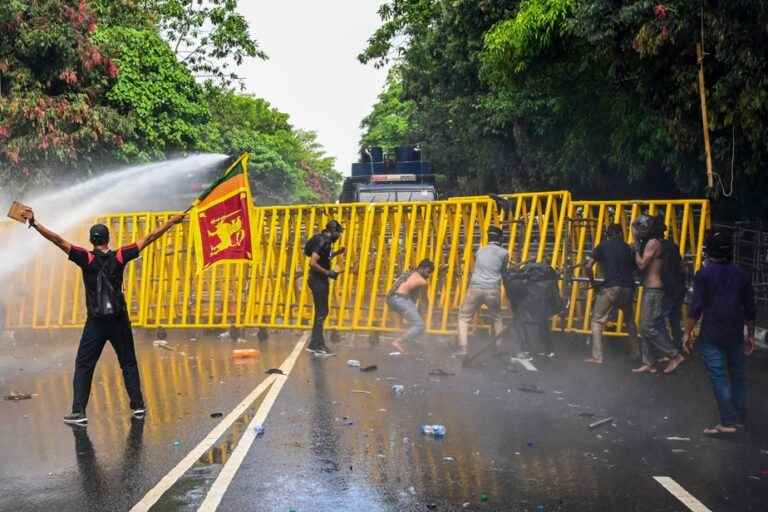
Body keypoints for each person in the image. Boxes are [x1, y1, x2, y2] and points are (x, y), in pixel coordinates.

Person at [24, 209, 185, 424]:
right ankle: (137, 406)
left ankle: (79, 411)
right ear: (108, 238)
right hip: (119, 319)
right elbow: (149, 237)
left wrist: (35, 224)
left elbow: (58, 240)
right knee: (128, 363)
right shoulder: (120, 256)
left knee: (84, 365)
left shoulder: (86, 258)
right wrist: (172, 222)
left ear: (92, 240)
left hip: (97, 322)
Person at [683, 228, 756, 435]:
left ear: (709, 250)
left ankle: (727, 422)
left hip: (712, 333)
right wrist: (750, 334)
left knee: (718, 375)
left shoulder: (704, 274)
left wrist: (687, 332)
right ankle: (739, 418)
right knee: (738, 375)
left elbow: (696, 307)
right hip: (735, 332)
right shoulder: (741, 274)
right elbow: (750, 308)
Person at [632, 214, 685, 374]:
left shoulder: (653, 243)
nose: (637, 231)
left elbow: (641, 265)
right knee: (645, 326)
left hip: (655, 290)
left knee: (647, 327)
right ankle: (649, 362)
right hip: (651, 289)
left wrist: (635, 246)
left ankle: (674, 355)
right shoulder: (651, 242)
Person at [583, 224, 638, 364]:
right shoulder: (628, 248)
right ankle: (636, 353)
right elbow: (635, 268)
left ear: (607, 233)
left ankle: (597, 357)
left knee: (597, 320)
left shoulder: (602, 246)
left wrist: (593, 282)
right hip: (628, 288)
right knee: (630, 321)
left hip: (611, 287)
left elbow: (588, 266)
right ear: (620, 233)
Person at [456, 226, 508, 356]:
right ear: (500, 238)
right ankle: (499, 347)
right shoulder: (504, 253)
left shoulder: (479, 251)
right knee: (497, 318)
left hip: (475, 287)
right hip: (492, 289)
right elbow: (504, 272)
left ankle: (463, 349)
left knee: (463, 318)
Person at [304, 220, 345, 356]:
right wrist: (328, 273)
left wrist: (337, 253)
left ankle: (314, 344)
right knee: (322, 312)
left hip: (317, 280)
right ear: (332, 230)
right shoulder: (324, 241)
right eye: (338, 233)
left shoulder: (321, 239)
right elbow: (313, 262)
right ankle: (319, 345)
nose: (338, 236)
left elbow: (323, 258)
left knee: (321, 312)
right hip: (318, 281)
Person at [386, 259, 435, 353]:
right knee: (419, 325)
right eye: (428, 272)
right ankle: (398, 342)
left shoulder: (409, 273)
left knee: (414, 322)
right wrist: (426, 313)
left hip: (391, 298)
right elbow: (424, 300)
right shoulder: (422, 281)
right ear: (422, 268)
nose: (429, 275)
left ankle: (410, 340)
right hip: (400, 300)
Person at [659, 232, 686, 352]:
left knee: (658, 321)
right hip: (678, 286)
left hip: (667, 287)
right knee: (674, 320)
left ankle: (669, 351)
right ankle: (678, 347)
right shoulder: (673, 246)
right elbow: (681, 266)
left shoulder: (655, 246)